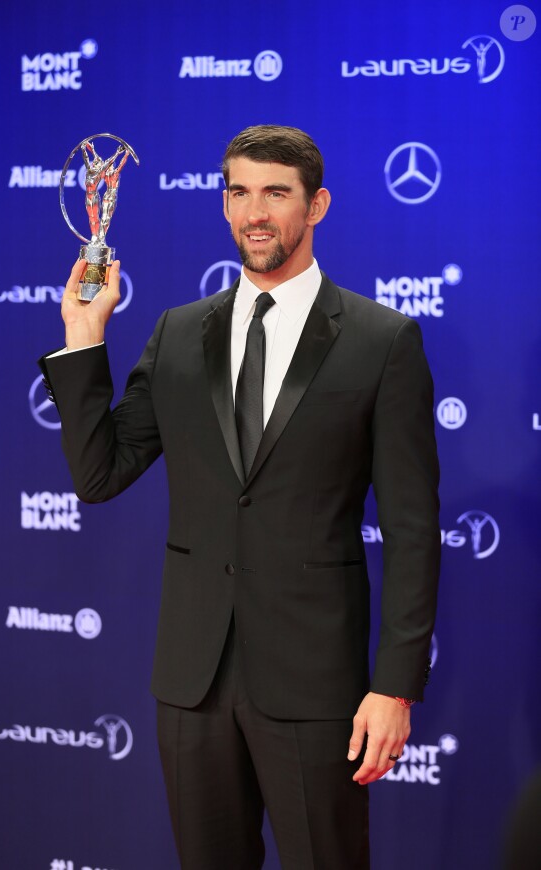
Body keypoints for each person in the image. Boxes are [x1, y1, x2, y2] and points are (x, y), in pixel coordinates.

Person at [39, 125, 440, 869]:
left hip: (317, 684)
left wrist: (395, 688)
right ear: (224, 206)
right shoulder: (177, 332)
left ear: (315, 205)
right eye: (239, 192)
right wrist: (84, 334)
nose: (256, 212)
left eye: (276, 193)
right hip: (192, 683)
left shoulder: (383, 341)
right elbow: (99, 477)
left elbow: (414, 530)